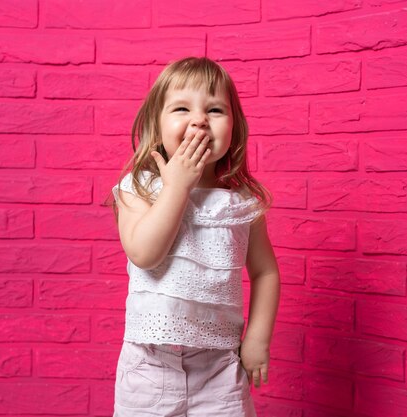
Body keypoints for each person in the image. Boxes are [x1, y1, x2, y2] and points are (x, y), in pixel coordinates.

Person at [109, 56, 280, 417]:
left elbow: (265, 272)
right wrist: (177, 187)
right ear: (157, 125)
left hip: (219, 368)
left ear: (235, 128)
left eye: (215, 109)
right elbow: (144, 254)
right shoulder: (138, 190)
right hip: (149, 368)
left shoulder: (240, 205)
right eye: (182, 108)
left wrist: (257, 339)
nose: (200, 119)